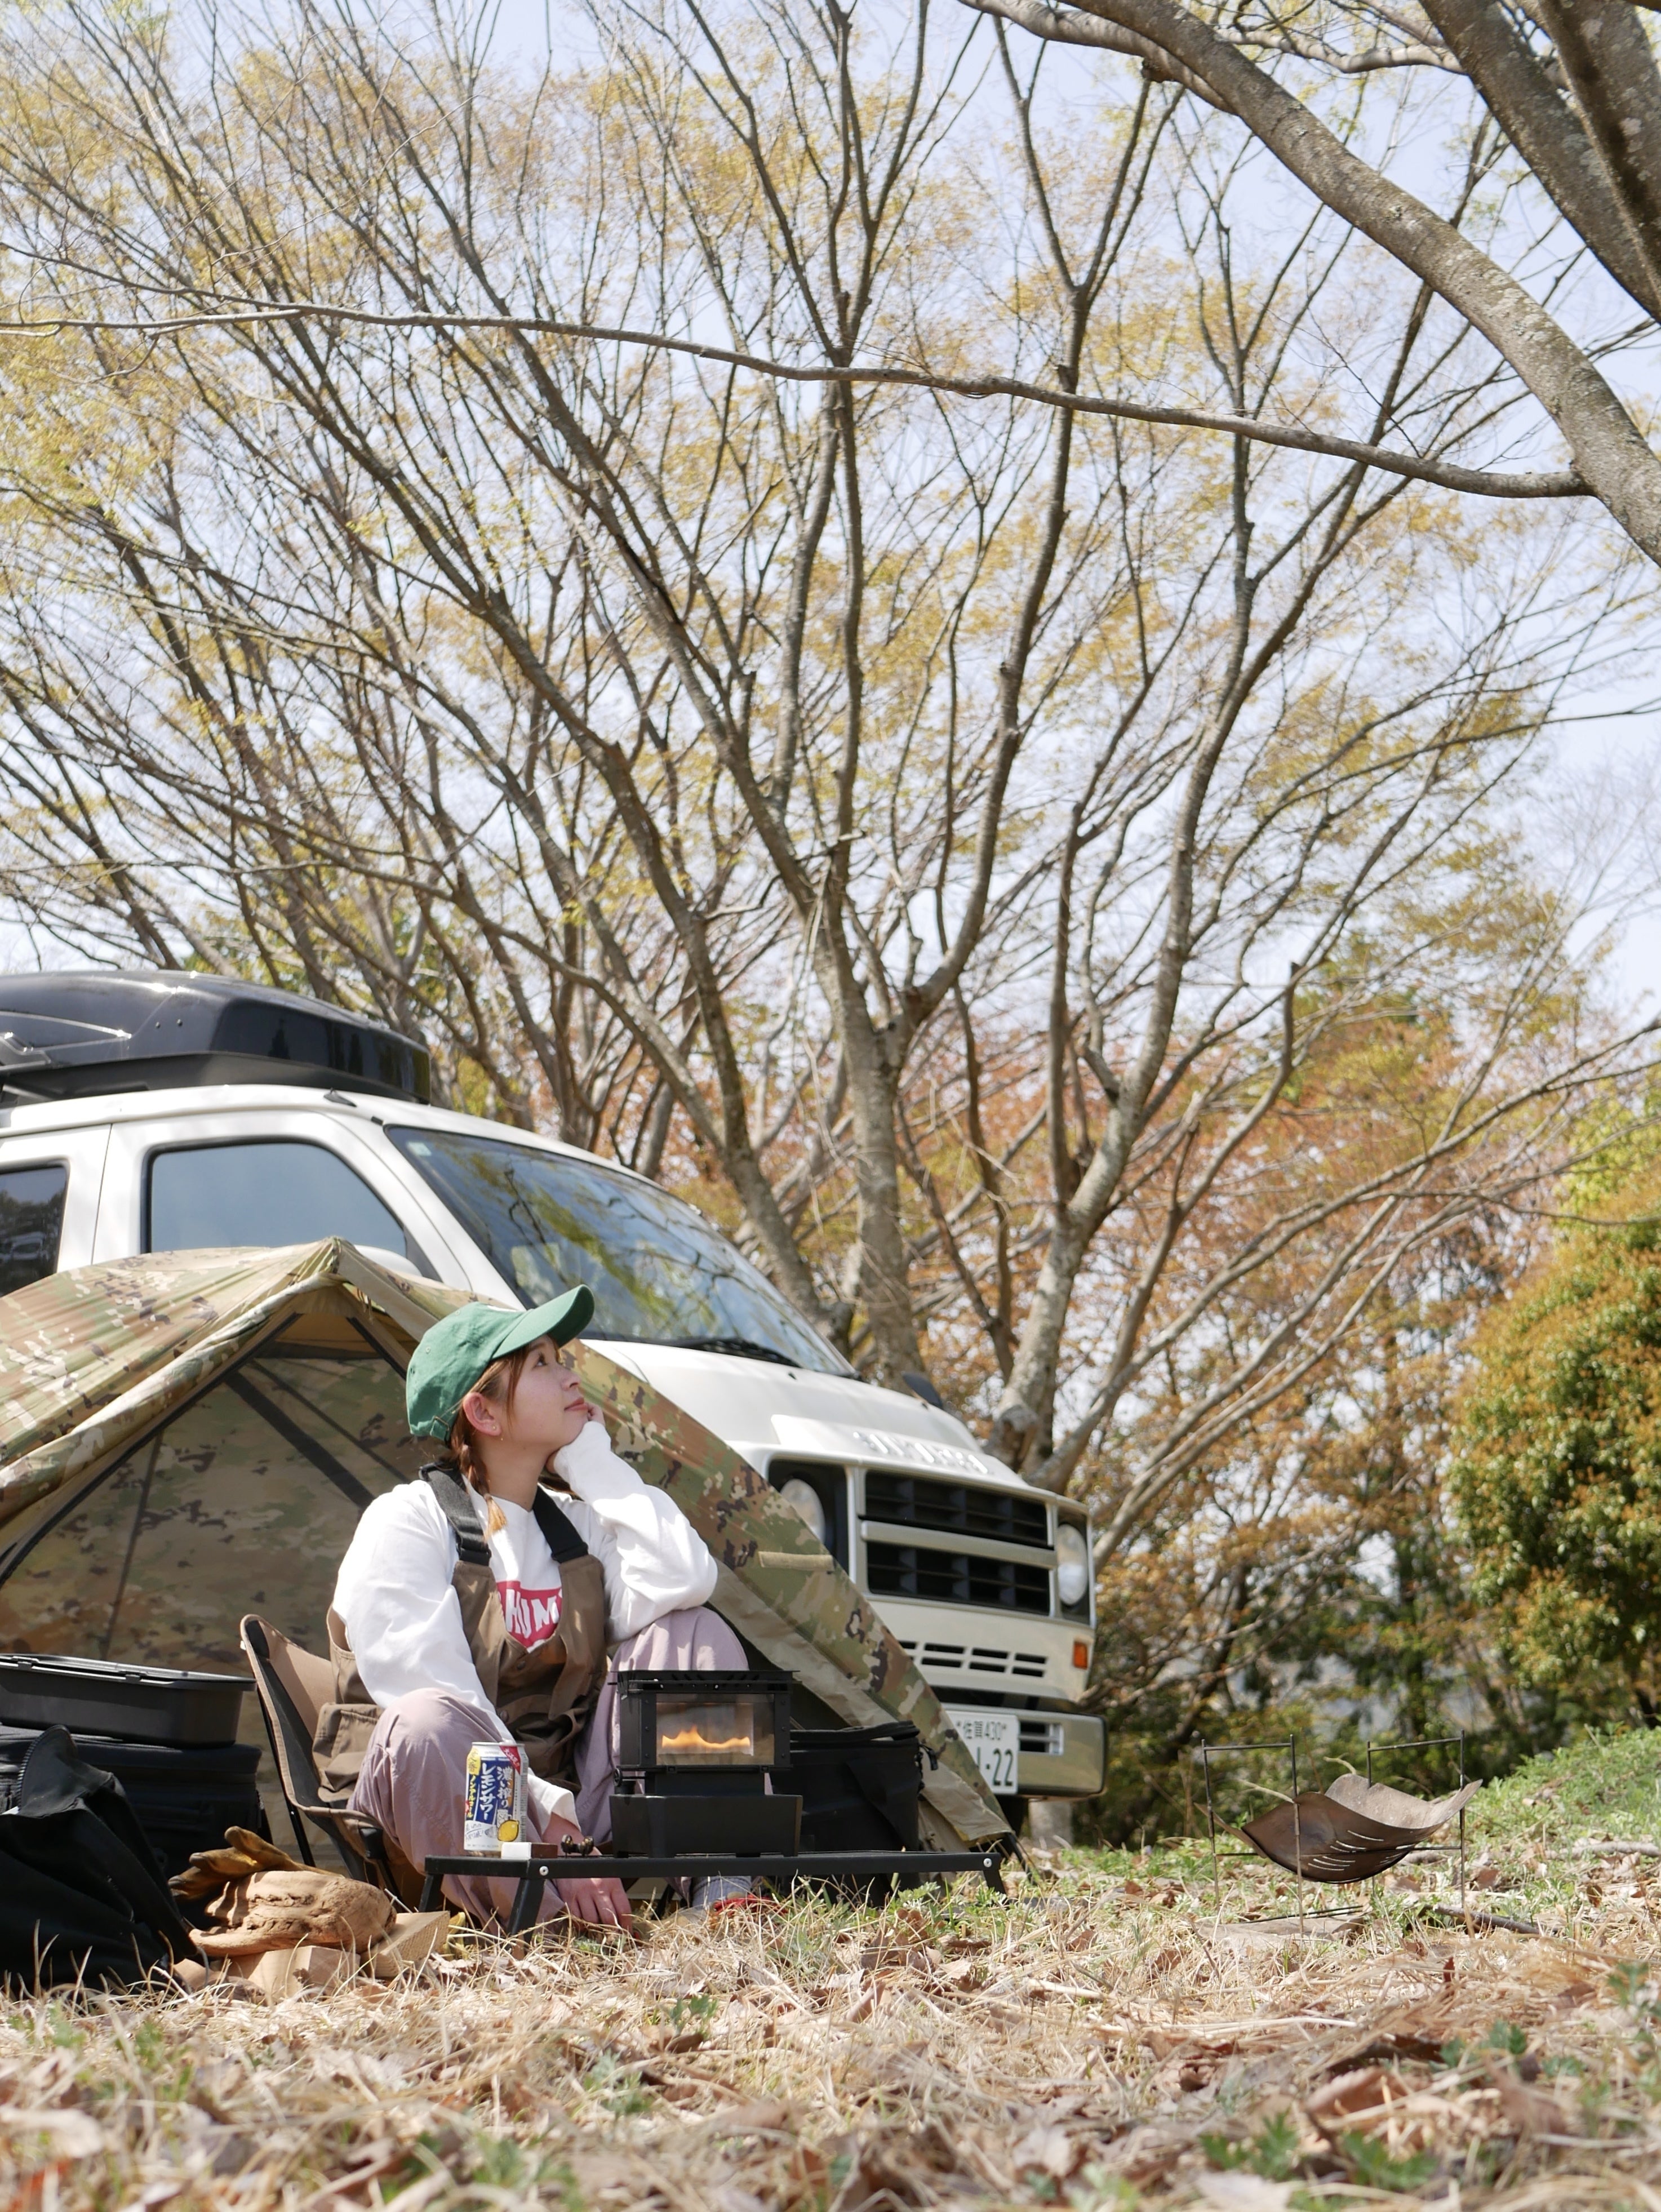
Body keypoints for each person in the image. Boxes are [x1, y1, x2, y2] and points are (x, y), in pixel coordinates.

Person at [315, 1286, 748, 1929]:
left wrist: (592, 1461)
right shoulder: (406, 1521)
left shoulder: (576, 1526)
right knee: (429, 1720)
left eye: (561, 1358)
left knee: (692, 1634)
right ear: (483, 1412)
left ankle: (723, 1888)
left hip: (574, 1811)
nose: (570, 1376)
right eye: (541, 1363)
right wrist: (551, 1829)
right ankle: (550, 1929)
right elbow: (437, 1693)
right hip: (445, 1819)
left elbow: (685, 1578)